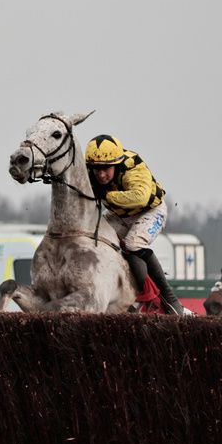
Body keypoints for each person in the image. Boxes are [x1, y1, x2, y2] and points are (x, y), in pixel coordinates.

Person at [85, 134, 191, 315]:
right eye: (97, 169)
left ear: (116, 164)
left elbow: (140, 197)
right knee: (92, 238)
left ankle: (170, 299)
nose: (101, 175)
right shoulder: (90, 167)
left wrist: (107, 196)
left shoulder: (132, 165)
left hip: (150, 211)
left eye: (106, 169)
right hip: (120, 214)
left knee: (134, 244)